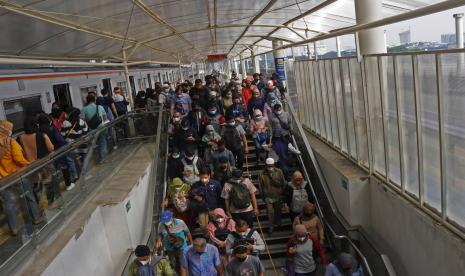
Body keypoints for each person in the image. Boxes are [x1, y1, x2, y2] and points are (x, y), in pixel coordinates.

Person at [0, 120, 44, 235]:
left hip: (2, 180)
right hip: (17, 175)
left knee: (8, 203)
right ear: (5, 130)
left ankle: (13, 228)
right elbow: (18, 159)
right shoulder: (10, 142)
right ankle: (36, 218)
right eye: (10, 129)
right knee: (28, 196)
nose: (11, 131)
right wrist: (29, 164)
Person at [258, 157, 287, 234]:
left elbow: (283, 183)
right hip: (268, 196)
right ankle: (271, 227)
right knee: (270, 212)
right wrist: (263, 196)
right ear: (266, 165)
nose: (270, 167)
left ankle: (278, 223)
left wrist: (282, 193)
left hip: (278, 195)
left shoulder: (279, 171)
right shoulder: (261, 173)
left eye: (271, 165)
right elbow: (260, 186)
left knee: (278, 210)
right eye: (269, 166)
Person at [61, 108, 89, 179]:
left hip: (71, 145)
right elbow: (85, 132)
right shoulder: (82, 121)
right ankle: (85, 174)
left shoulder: (65, 123)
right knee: (84, 159)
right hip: (82, 143)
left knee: (71, 160)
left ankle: (75, 176)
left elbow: (63, 135)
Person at [82, 93, 108, 162]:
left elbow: (82, 121)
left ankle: (93, 159)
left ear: (87, 101)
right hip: (101, 127)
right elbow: (105, 118)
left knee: (93, 144)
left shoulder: (84, 109)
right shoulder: (100, 107)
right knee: (102, 142)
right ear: (95, 100)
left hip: (92, 129)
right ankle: (102, 158)